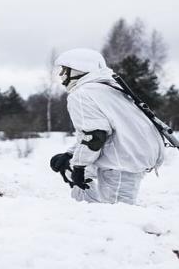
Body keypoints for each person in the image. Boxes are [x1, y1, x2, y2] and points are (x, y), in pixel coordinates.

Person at [49, 48, 164, 204]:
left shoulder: (81, 94)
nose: (61, 75)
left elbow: (95, 136)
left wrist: (79, 167)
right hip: (131, 154)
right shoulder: (109, 89)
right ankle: (87, 210)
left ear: (78, 69)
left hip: (121, 161)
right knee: (68, 165)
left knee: (118, 213)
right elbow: (93, 133)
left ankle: (99, 216)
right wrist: (70, 156)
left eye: (64, 70)